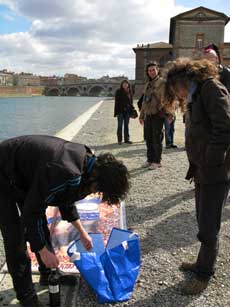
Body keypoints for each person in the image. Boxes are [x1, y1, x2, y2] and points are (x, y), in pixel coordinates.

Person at [0, 135, 130, 307]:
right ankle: (27, 298)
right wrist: (42, 251)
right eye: (98, 189)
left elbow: (65, 199)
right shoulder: (65, 171)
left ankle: (48, 274)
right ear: (97, 180)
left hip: (24, 175)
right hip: (3, 172)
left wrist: (83, 233)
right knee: (15, 239)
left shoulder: (88, 165)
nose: (96, 193)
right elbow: (31, 213)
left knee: (38, 225)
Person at [165, 58, 230, 295]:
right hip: (203, 169)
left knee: (209, 225)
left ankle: (204, 274)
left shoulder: (211, 88)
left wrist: (212, 158)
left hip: (216, 170)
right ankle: (201, 263)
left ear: (183, 80)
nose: (176, 94)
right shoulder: (197, 93)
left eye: (175, 89)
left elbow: (225, 127)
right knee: (203, 219)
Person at [139, 61, 173, 170]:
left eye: (153, 70)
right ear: (147, 72)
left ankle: (157, 161)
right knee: (148, 139)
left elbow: (167, 99)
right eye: (149, 70)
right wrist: (141, 115)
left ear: (157, 70)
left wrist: (170, 114)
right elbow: (144, 101)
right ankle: (150, 159)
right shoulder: (147, 85)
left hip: (158, 114)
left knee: (157, 139)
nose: (152, 72)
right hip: (148, 115)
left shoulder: (162, 83)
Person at [114, 79, 133, 145]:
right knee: (119, 126)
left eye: (126, 84)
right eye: (123, 84)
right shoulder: (118, 91)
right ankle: (119, 140)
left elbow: (131, 102)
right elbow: (116, 103)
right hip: (120, 112)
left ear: (128, 85)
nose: (125, 85)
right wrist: (115, 113)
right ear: (122, 85)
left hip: (127, 112)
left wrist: (132, 110)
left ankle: (126, 140)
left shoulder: (130, 92)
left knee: (126, 126)